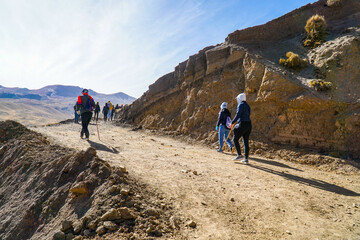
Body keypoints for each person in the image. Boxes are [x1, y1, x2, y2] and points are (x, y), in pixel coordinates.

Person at [231, 93, 252, 164]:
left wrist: (232, 122)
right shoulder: (247, 106)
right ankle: (246, 159)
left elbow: (238, 115)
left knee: (235, 139)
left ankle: (239, 155)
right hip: (249, 124)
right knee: (245, 141)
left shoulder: (240, 105)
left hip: (242, 123)